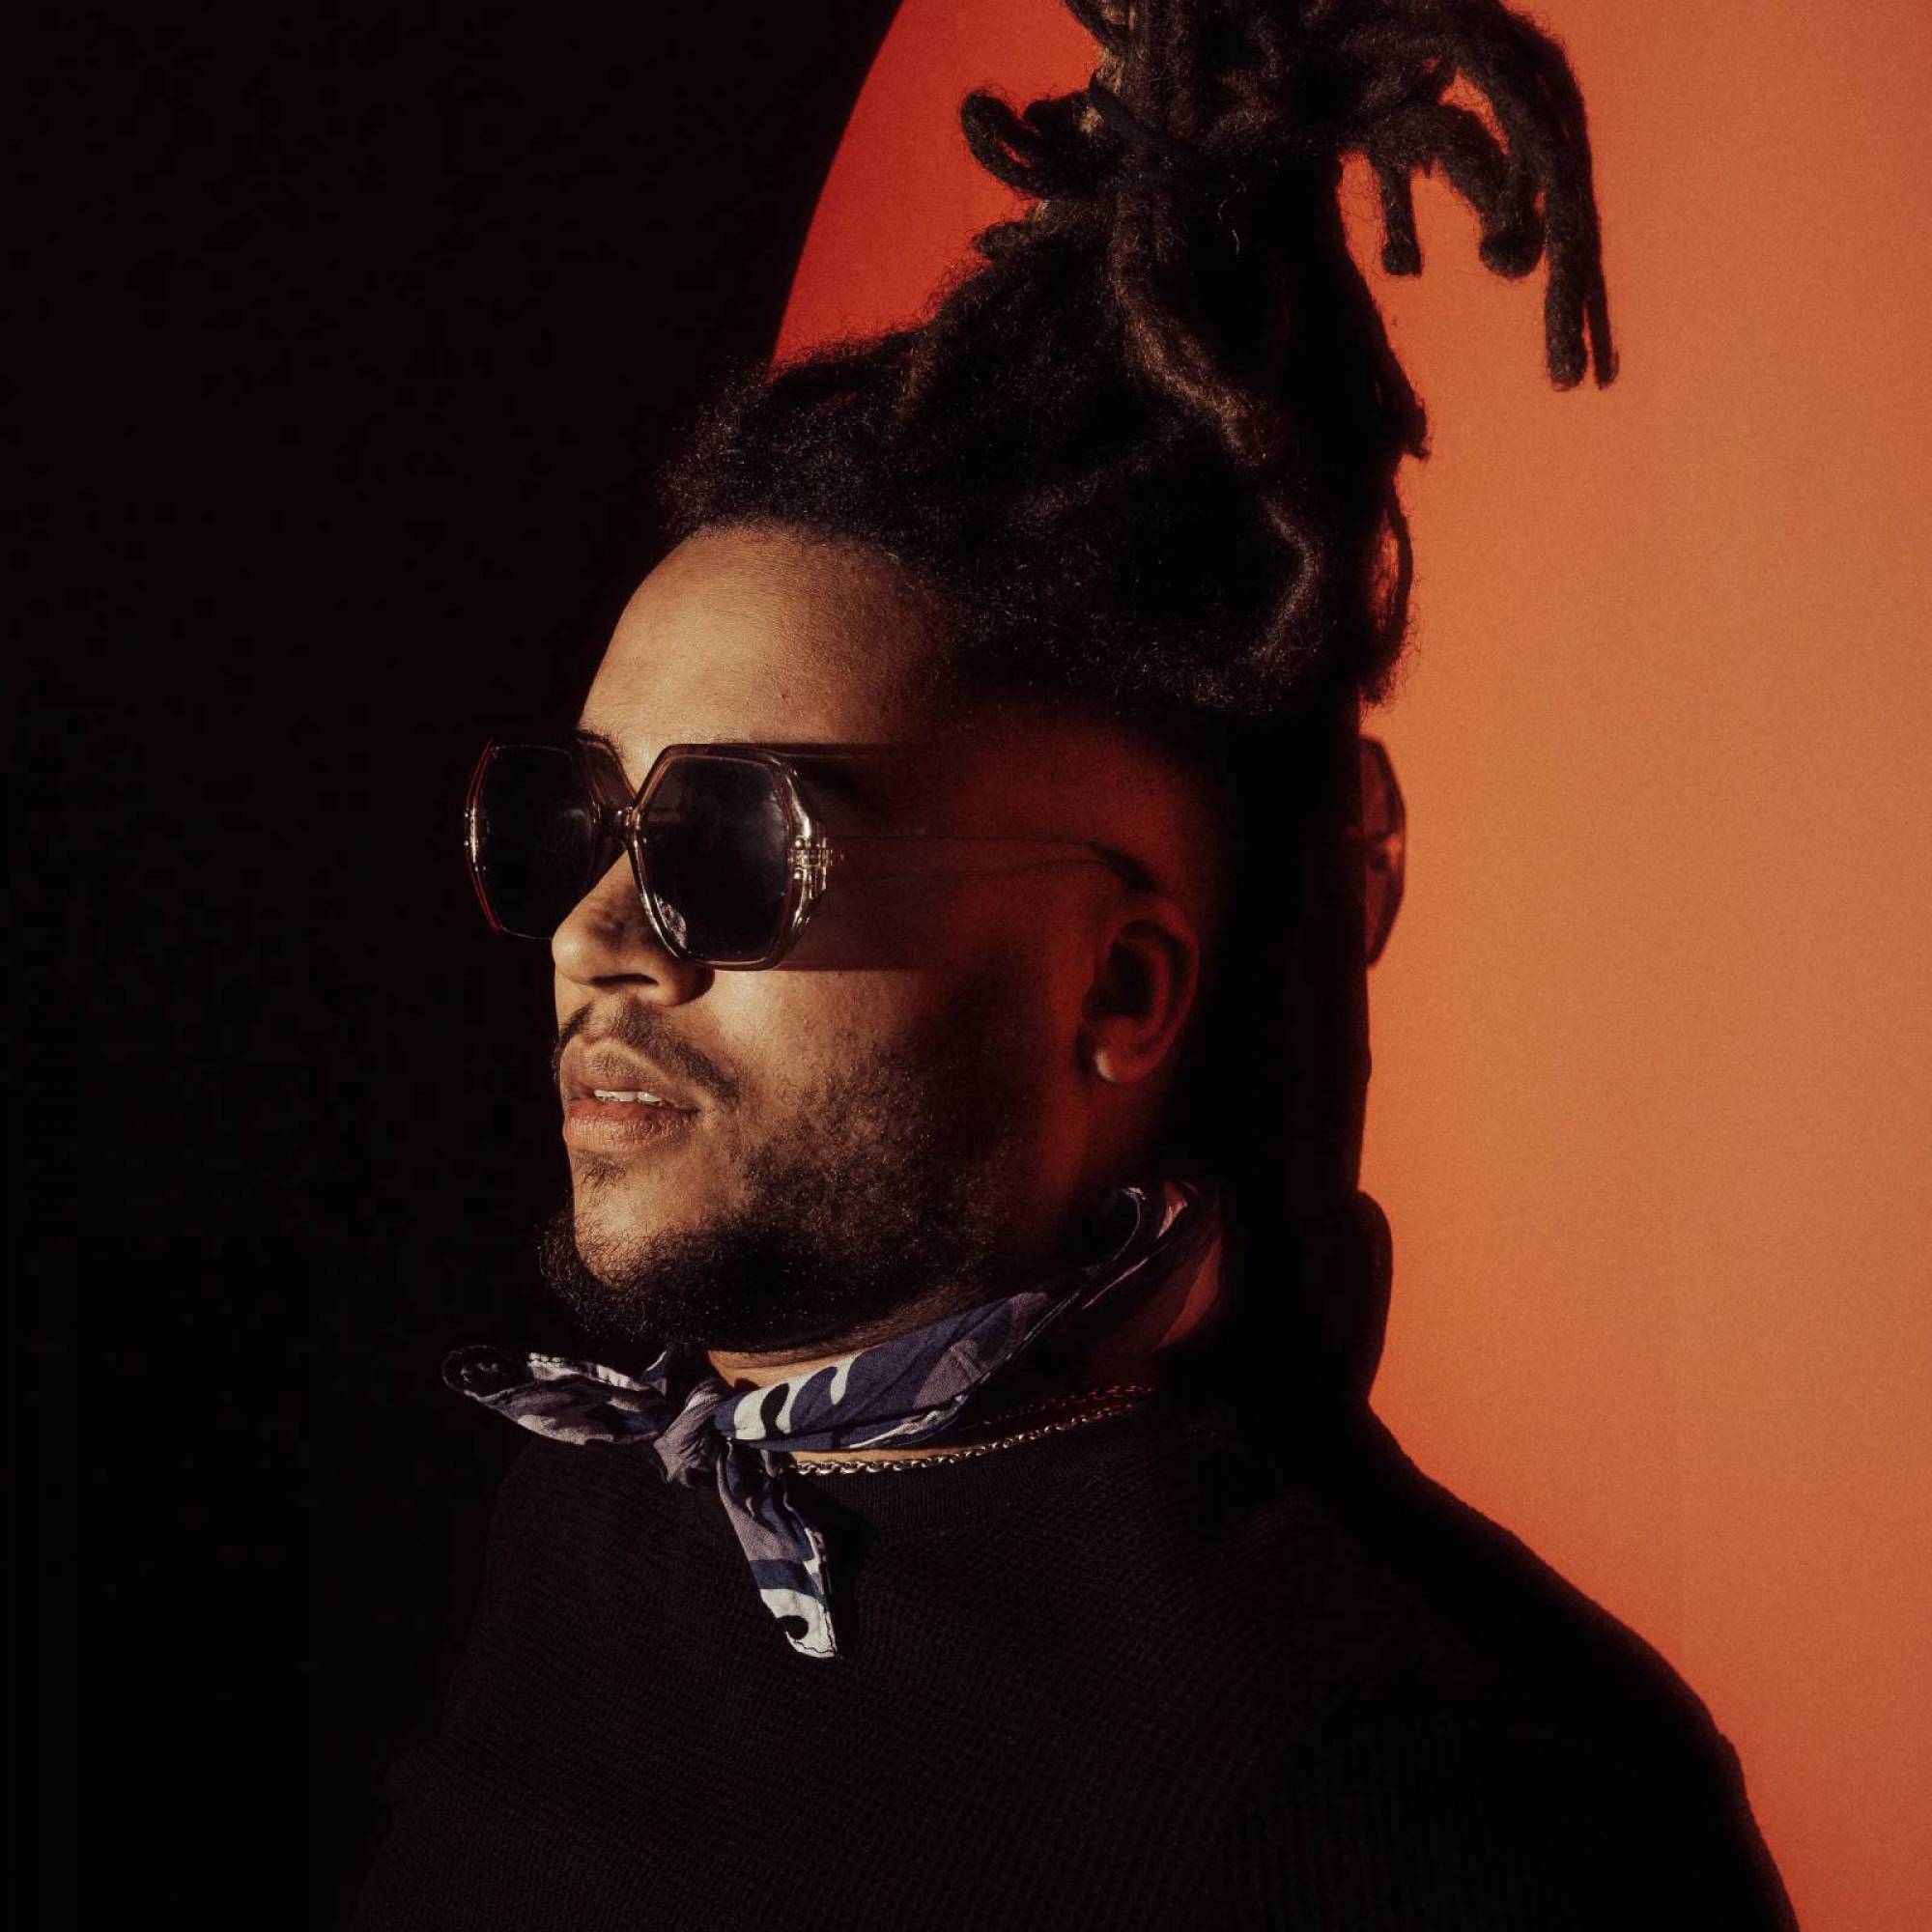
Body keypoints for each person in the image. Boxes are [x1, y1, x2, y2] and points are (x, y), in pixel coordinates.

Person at [350, 1, 1797, 1923]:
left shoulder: (1400, 1782)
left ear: (1118, 994)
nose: (596, 937)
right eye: (570, 823)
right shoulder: (595, 1501)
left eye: (730, 845)